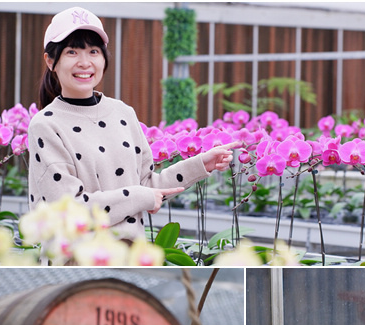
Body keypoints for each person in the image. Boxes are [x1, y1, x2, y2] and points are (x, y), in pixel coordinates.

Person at [28, 6, 238, 241]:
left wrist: (200, 164)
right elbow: (68, 211)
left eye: (94, 51)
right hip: (78, 259)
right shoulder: (46, 125)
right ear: (50, 61)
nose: (85, 62)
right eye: (72, 52)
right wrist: (138, 196)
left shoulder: (123, 113)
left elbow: (148, 185)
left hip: (130, 256)